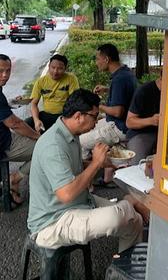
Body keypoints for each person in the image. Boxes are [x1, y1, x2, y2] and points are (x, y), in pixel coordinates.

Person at [28, 89, 147, 252]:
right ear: (78, 116)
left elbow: (69, 167)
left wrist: (101, 163)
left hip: (79, 202)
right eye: (94, 116)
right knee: (119, 215)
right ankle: (129, 203)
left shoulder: (69, 133)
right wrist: (95, 163)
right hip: (53, 222)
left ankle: (127, 270)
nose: (97, 122)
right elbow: (66, 194)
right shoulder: (53, 145)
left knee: (134, 221)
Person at [80, 44, 137, 160]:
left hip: (119, 127)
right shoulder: (126, 72)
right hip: (121, 123)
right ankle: (106, 176)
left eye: (97, 59)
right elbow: (126, 92)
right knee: (85, 129)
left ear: (106, 59)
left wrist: (98, 106)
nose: (96, 62)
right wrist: (107, 89)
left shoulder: (119, 79)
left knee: (80, 142)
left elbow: (117, 112)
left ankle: (87, 173)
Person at [0, 54, 39, 205]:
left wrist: (8, 104)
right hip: (3, 144)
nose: (5, 75)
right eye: (1, 70)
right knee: (44, 149)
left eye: (8, 71)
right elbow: (15, 124)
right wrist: (38, 137)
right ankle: (14, 179)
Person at [24, 54, 79, 132]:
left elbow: (75, 100)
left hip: (64, 115)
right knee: (26, 124)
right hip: (46, 115)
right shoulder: (41, 82)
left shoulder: (71, 79)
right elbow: (33, 103)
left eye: (60, 68)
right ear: (49, 66)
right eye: (53, 67)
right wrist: (36, 120)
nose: (55, 71)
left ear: (65, 69)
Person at [126, 75, 161, 165]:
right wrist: (151, 120)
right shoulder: (144, 91)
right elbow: (129, 122)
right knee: (136, 166)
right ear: (163, 76)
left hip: (165, 133)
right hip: (141, 134)